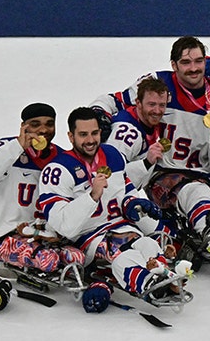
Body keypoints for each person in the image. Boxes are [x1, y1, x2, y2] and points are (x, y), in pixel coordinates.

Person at [91, 36, 210, 255]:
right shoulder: (157, 84)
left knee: (202, 189)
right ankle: (209, 231)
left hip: (198, 173)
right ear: (173, 65)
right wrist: (98, 113)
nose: (193, 68)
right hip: (158, 172)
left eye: (198, 61)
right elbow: (115, 101)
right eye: (186, 62)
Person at [36, 108, 189, 311]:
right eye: (83, 134)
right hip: (89, 239)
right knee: (122, 257)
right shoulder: (57, 170)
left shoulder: (111, 155)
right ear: (70, 136)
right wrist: (92, 196)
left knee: (147, 244)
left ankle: (164, 274)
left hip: (122, 227)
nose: (90, 140)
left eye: (94, 133)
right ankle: (149, 284)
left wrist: (133, 204)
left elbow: (124, 191)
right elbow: (64, 226)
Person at [0, 103, 84, 281]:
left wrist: (58, 232)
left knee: (78, 257)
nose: (43, 129)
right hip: (4, 237)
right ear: (23, 126)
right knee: (49, 260)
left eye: (49, 123)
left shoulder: (61, 158)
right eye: (35, 124)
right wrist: (17, 146)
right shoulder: (4, 147)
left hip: (44, 235)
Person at [105, 77, 169, 190]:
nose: (157, 111)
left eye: (162, 105)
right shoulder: (128, 132)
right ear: (138, 103)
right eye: (152, 104)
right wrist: (146, 163)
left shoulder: (146, 121)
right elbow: (110, 176)